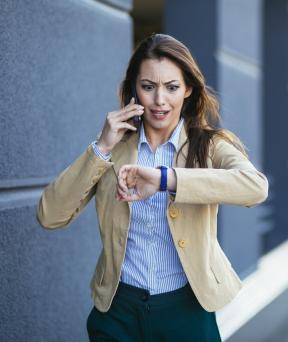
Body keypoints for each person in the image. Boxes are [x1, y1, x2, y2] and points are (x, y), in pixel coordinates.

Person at [36, 33, 268, 341]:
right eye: (148, 87)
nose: (160, 100)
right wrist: (101, 147)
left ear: (188, 89)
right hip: (118, 312)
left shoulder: (209, 145)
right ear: (135, 89)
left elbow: (255, 186)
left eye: (171, 87)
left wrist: (164, 178)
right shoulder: (113, 150)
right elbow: (50, 215)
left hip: (186, 310)